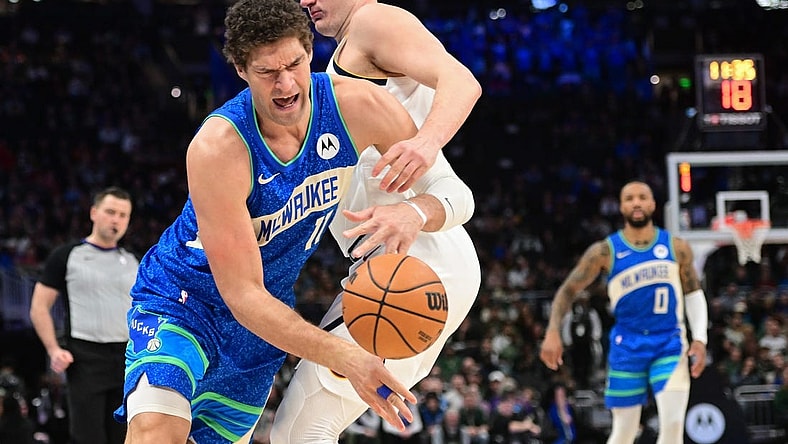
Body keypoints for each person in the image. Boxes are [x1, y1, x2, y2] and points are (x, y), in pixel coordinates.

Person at [110, 0, 435, 441]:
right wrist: (344, 356)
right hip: (185, 302)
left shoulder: (358, 107)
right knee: (156, 433)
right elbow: (241, 293)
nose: (285, 84)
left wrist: (414, 211)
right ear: (242, 71)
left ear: (309, 52)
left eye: (294, 64)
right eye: (267, 72)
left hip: (264, 325)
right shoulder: (219, 147)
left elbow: (448, 190)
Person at [270, 0, 482, 442]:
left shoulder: (372, 20)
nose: (306, 1)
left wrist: (425, 145)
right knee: (306, 427)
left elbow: (462, 81)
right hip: (401, 266)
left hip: (416, 264)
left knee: (301, 430)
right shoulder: (344, 50)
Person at [539, 181, 709, 444]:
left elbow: (693, 294)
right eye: (630, 198)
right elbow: (567, 290)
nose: (637, 203)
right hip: (627, 345)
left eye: (643, 197)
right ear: (621, 207)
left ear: (653, 204)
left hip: (669, 342)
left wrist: (700, 338)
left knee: (673, 425)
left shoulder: (676, 247)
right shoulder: (605, 251)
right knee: (624, 431)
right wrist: (552, 331)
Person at [29, 186, 137, 444]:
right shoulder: (66, 256)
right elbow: (39, 307)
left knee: (124, 436)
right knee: (88, 437)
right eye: (111, 212)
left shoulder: (133, 260)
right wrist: (54, 349)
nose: (116, 220)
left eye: (123, 215)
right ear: (94, 213)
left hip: (127, 358)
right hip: (85, 358)